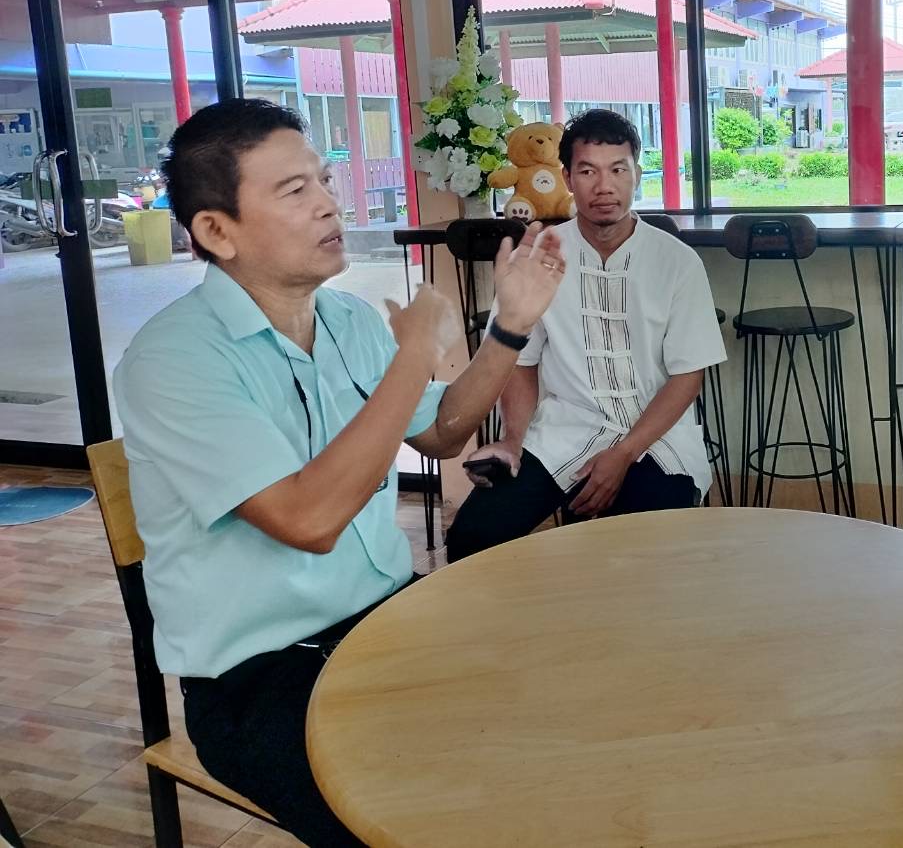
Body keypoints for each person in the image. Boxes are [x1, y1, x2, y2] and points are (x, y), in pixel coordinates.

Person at [115, 98, 566, 847]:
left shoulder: (348, 320)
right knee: (429, 824)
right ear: (217, 231)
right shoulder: (173, 359)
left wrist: (510, 325)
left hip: (384, 620)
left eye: (324, 180)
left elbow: (443, 433)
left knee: (553, 726)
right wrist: (416, 352)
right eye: (295, 190)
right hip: (261, 678)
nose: (330, 203)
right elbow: (308, 519)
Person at [444, 109, 725, 560]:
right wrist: (513, 439)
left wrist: (625, 453)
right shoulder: (542, 256)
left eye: (618, 170)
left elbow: (687, 376)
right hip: (564, 431)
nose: (604, 186)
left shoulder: (677, 261)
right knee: (472, 537)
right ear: (567, 178)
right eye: (588, 171)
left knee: (637, 553)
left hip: (656, 438)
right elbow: (521, 361)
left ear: (637, 175)